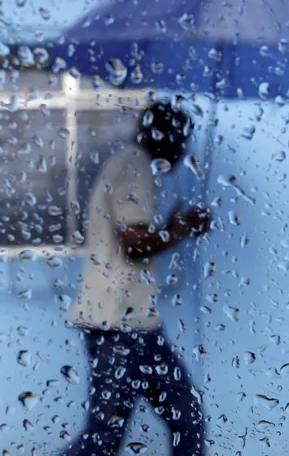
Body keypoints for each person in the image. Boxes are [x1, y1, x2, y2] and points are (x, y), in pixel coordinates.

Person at [63, 99, 212, 456]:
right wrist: (181, 229)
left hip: (131, 323)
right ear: (163, 137)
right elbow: (134, 242)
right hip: (120, 326)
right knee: (109, 436)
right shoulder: (135, 168)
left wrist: (173, 229)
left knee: (181, 420)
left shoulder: (128, 163)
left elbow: (133, 237)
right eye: (181, 139)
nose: (184, 149)